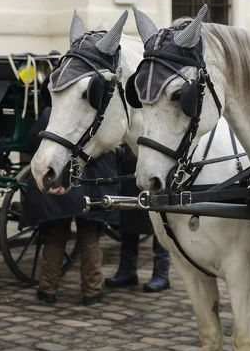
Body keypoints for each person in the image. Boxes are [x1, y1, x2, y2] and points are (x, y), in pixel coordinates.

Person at [23, 107, 119, 305]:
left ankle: (47, 289)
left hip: (61, 184)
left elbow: (32, 139)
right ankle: (92, 292)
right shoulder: (101, 116)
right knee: (90, 240)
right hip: (92, 185)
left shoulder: (52, 113)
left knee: (55, 239)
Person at [105, 144, 170, 292]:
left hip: (156, 175)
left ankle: (161, 273)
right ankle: (127, 271)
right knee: (128, 227)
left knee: (159, 228)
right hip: (130, 175)